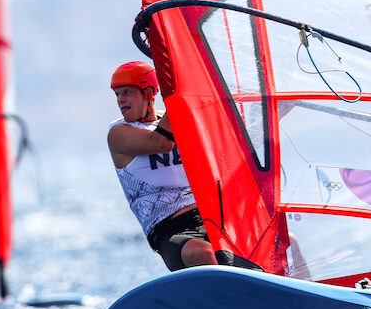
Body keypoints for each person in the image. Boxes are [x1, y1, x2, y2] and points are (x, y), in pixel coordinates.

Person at [107, 61, 263, 272]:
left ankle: (305, 289)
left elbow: (225, 135)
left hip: (211, 217)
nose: (120, 100)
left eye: (126, 92)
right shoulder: (119, 133)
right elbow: (161, 143)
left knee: (280, 241)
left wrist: (264, 115)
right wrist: (185, 86)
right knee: (203, 253)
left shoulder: (173, 117)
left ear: (149, 92)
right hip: (170, 230)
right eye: (117, 94)